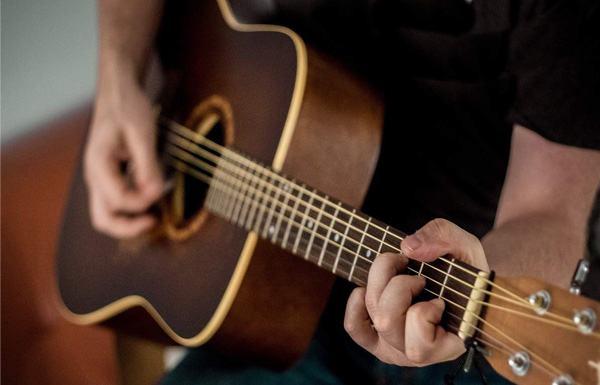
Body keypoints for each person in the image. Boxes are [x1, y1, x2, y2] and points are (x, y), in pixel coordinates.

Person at [84, 0, 600, 383]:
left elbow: (550, 207)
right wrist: (117, 77)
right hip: (271, 301)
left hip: (444, 310)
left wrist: (478, 278)